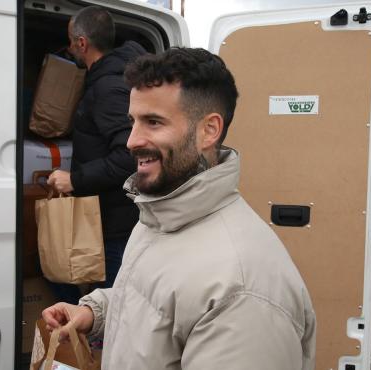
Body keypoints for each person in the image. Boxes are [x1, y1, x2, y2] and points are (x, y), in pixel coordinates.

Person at [42, 48, 317, 369]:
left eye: (153, 122)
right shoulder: (159, 214)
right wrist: (95, 311)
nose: (131, 140)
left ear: (209, 130)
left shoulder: (243, 291)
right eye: (133, 121)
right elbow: (159, 299)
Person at [47, 6, 146, 303]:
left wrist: (74, 180)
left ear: (82, 43)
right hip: (103, 217)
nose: (69, 49)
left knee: (110, 313)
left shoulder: (108, 87)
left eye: (70, 42)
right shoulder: (106, 79)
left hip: (114, 223)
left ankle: (99, 350)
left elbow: (129, 156)